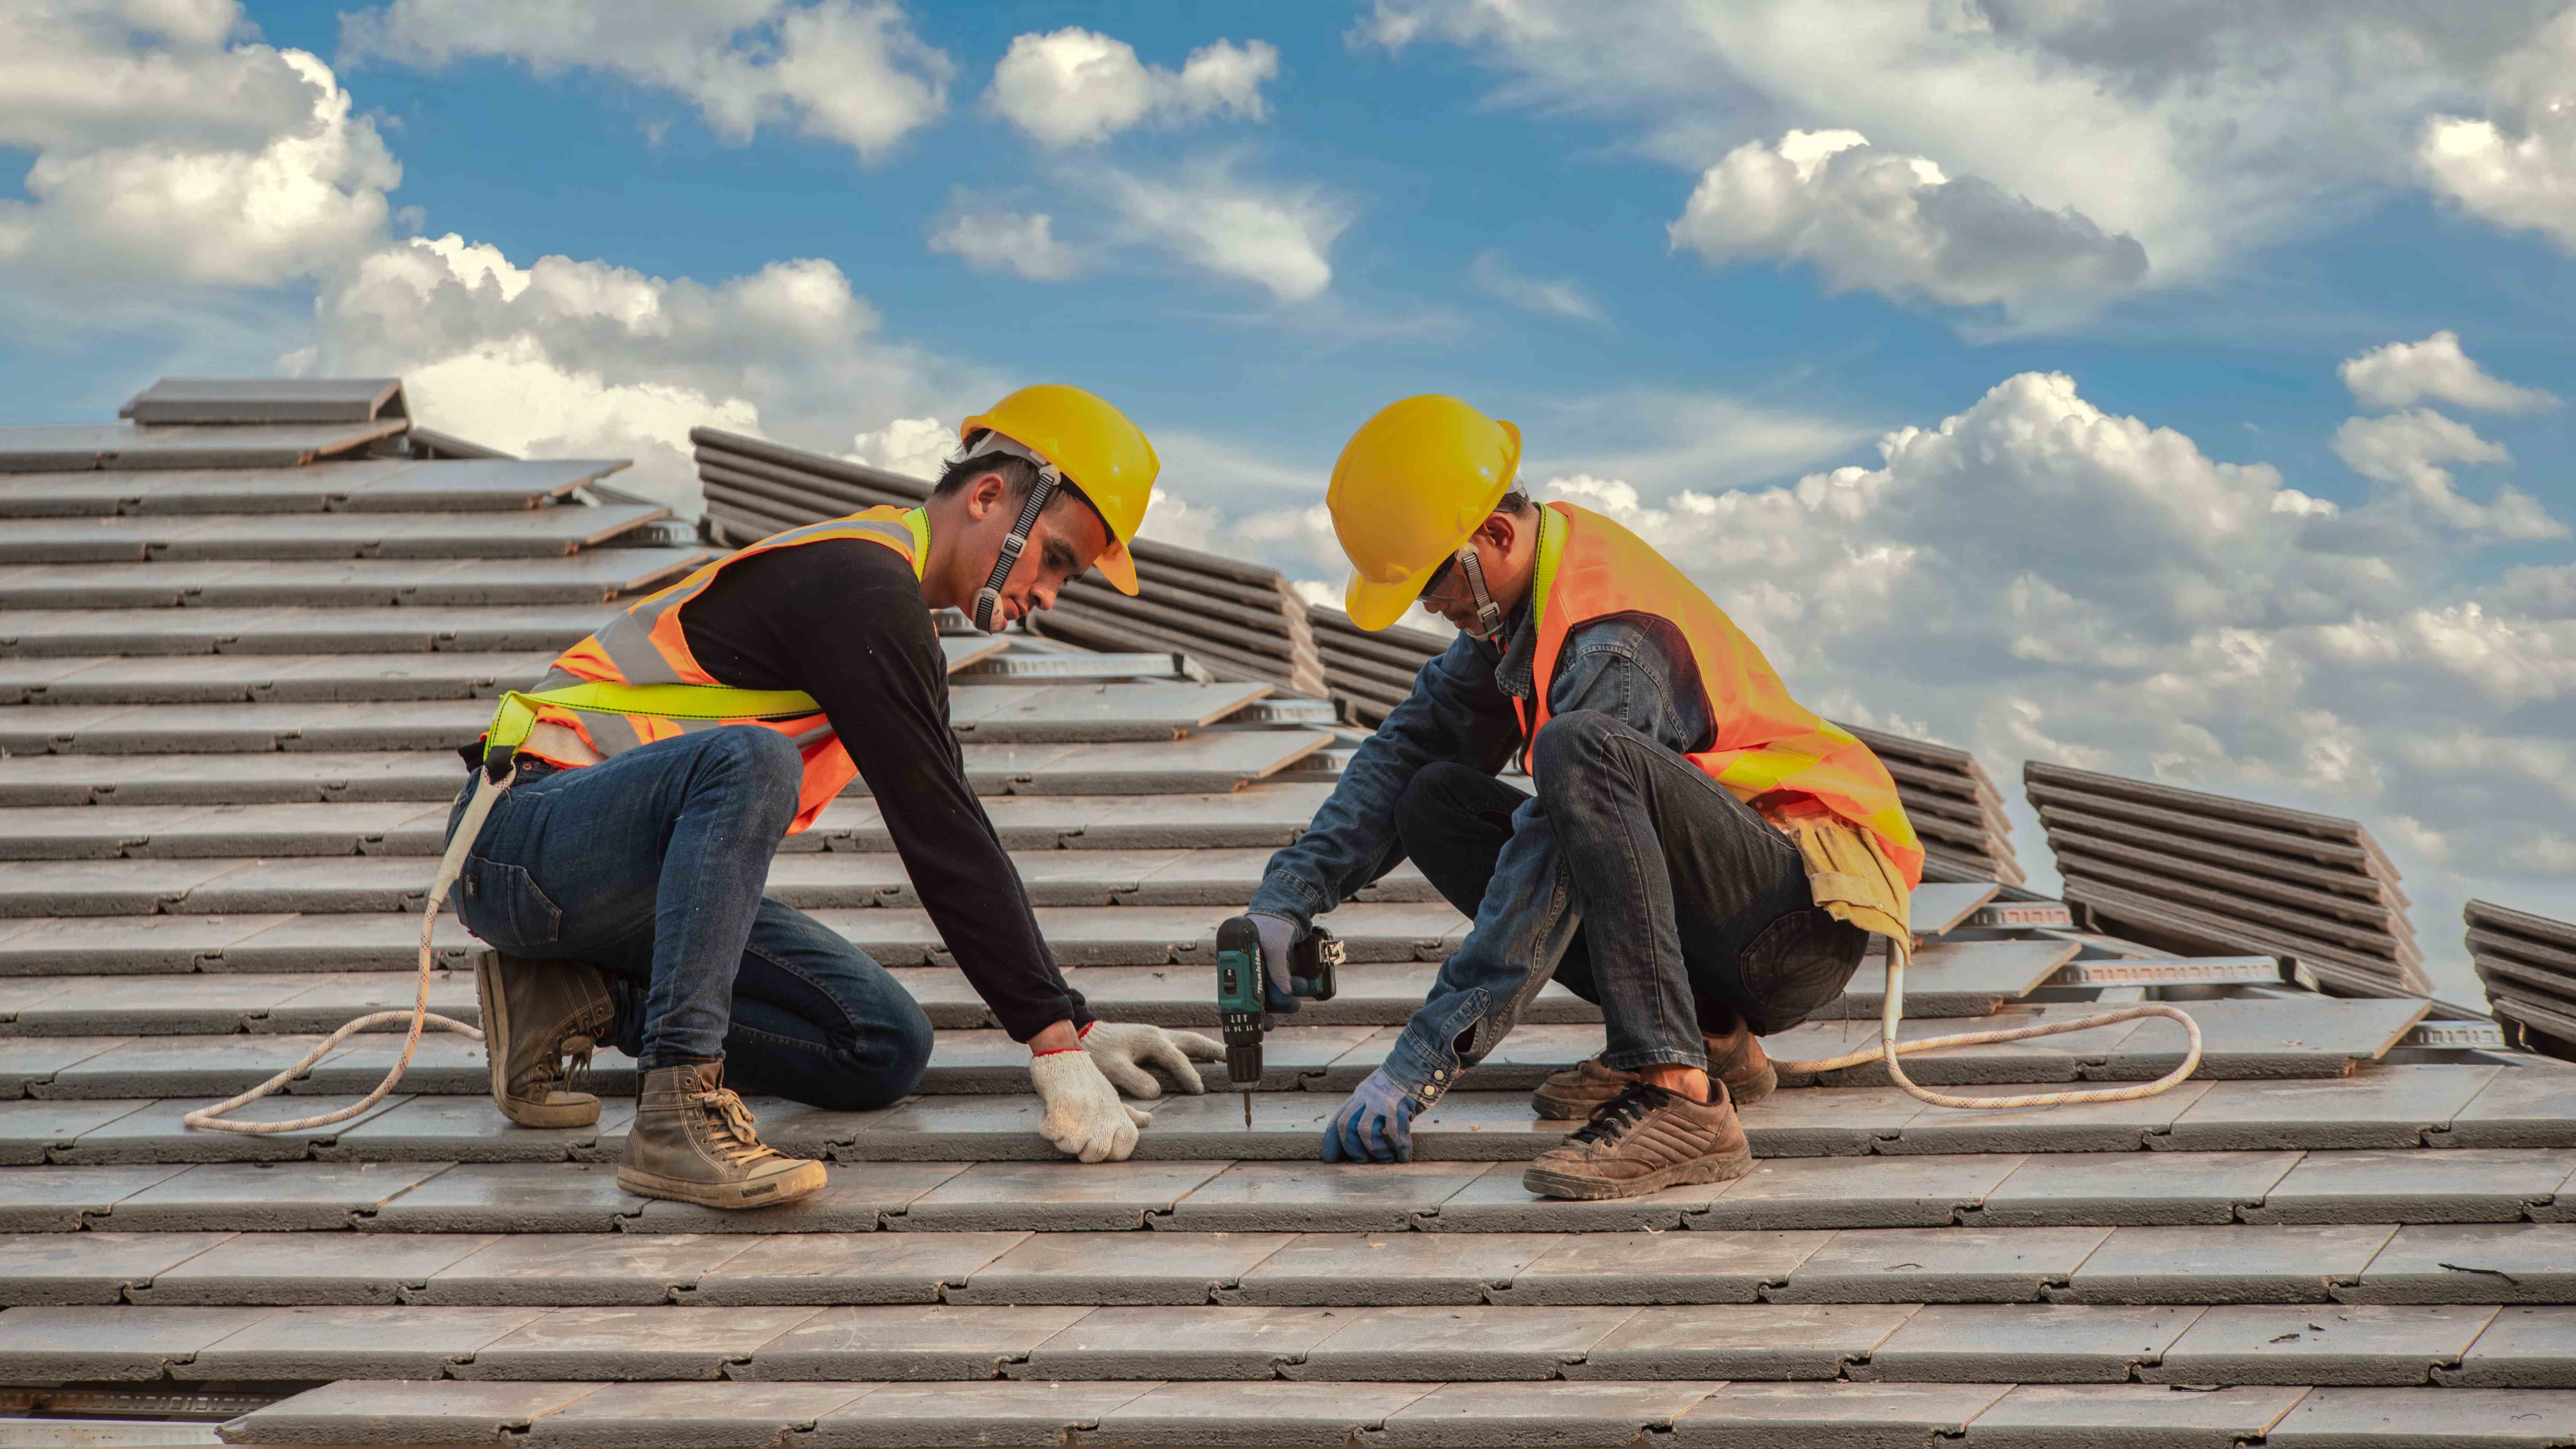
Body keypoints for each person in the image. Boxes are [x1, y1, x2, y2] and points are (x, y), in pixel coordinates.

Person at [443, 385, 1220, 1210]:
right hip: (519, 838)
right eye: (1057, 559)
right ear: (990, 498)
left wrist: (1074, 1024)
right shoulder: (863, 585)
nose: (1051, 596)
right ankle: (675, 1114)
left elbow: (950, 813)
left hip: (619, 881)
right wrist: (1051, 1043)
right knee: (752, 760)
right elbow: (937, 828)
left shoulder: (883, 599)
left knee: (882, 1044)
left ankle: (570, 1000)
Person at [1240, 396, 1921, 1201]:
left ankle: (1680, 1095)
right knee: (1433, 799)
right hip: (1735, 916)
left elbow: (1545, 862)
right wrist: (1288, 899)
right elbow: (1413, 745)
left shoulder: (1612, 646)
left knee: (1575, 749)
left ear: (1492, 537)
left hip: (1797, 921)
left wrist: (1418, 1064)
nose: (1431, 608)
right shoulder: (1530, 595)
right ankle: (1708, 1034)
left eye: (1430, 583)